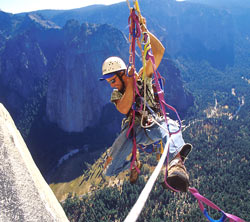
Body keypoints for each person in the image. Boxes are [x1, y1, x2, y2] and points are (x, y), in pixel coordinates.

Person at [99, 20, 192, 192]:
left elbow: (158, 52)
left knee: (170, 127)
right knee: (107, 170)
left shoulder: (144, 78)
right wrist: (129, 83)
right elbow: (124, 109)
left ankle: (176, 165)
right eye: (109, 81)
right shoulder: (117, 94)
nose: (111, 84)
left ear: (120, 73)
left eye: (113, 80)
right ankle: (133, 165)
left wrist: (144, 31)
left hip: (154, 123)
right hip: (133, 132)